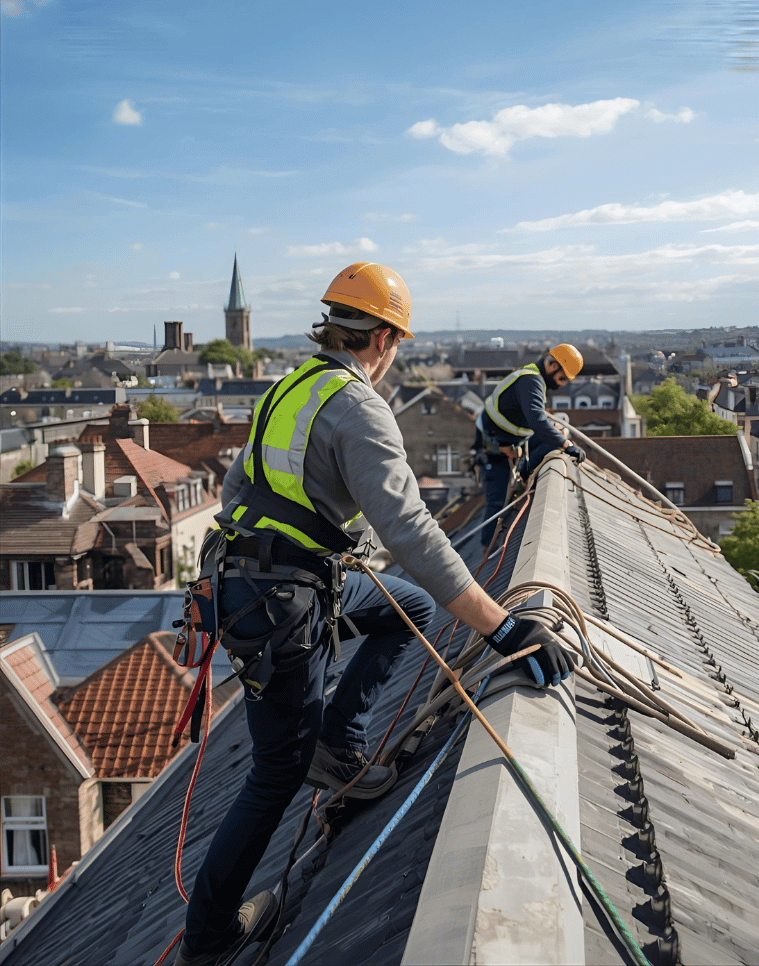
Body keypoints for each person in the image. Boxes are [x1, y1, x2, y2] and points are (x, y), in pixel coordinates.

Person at [173, 262, 575, 966]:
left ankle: (338, 739)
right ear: (385, 337)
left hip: (261, 580)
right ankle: (209, 941)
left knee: (406, 608)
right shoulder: (358, 406)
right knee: (276, 772)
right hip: (282, 598)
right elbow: (412, 532)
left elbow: (242, 486)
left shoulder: (289, 387)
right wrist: (503, 627)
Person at [474, 344, 587, 553]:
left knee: (552, 439)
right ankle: (486, 551)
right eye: (562, 378)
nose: (562, 385)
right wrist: (567, 445)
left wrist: (557, 436)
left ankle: (524, 476)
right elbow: (537, 421)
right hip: (493, 446)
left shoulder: (534, 377)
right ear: (553, 366)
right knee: (497, 503)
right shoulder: (531, 380)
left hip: (510, 439)